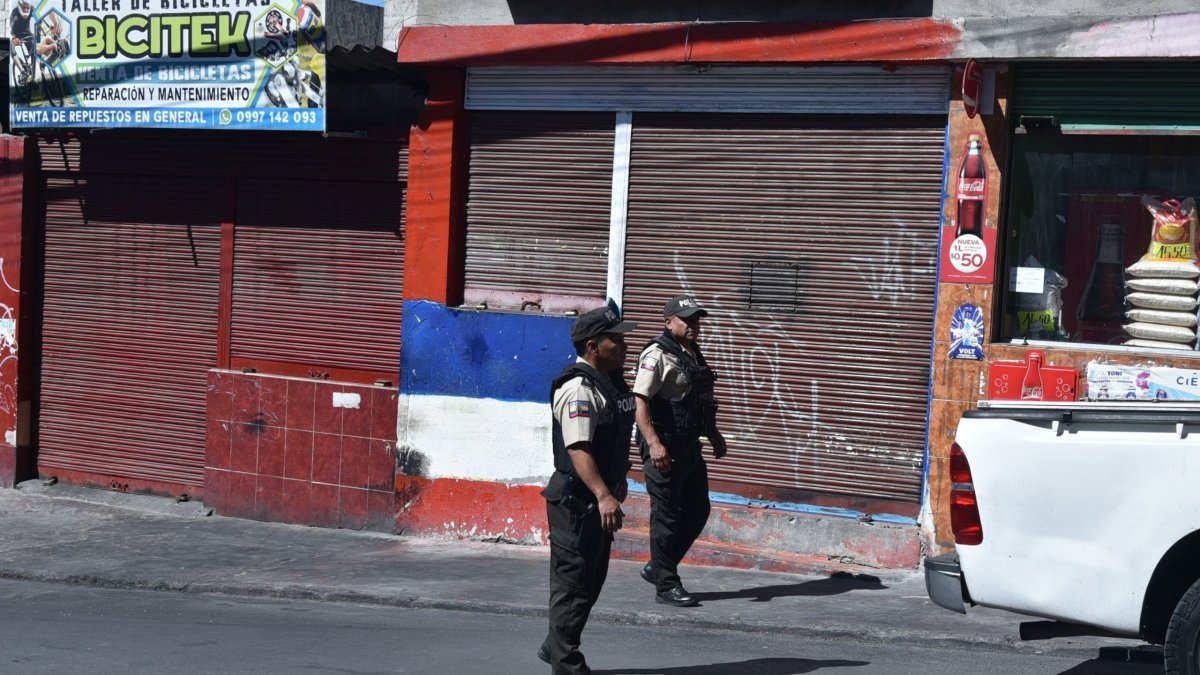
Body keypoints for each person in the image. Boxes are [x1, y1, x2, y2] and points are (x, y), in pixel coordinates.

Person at [538, 306, 636, 674]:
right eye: (617, 339)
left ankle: (556, 643)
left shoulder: (610, 384)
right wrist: (603, 493)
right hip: (576, 502)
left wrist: (616, 482)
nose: (624, 345)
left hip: (596, 500)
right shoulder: (578, 389)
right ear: (594, 346)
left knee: (592, 580)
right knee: (572, 585)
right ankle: (567, 664)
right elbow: (578, 449)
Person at [633, 294, 727, 607]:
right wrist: (654, 443)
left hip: (688, 445)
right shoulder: (656, 354)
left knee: (699, 508)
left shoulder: (692, 353)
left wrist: (712, 433)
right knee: (667, 516)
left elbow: (699, 400)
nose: (693, 325)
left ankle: (659, 566)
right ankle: (666, 585)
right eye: (686, 320)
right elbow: (640, 401)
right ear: (668, 322)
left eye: (696, 320)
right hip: (665, 444)